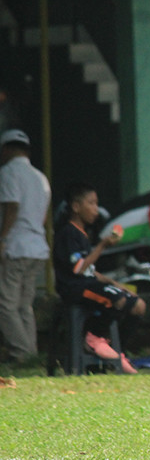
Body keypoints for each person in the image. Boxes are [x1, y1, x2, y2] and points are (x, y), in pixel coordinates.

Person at [53, 182, 144, 374]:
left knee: (138, 305)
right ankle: (93, 337)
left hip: (88, 284)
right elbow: (78, 269)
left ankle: (115, 351)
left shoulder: (83, 235)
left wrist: (114, 283)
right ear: (76, 207)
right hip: (75, 288)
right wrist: (102, 246)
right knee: (116, 300)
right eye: (91, 203)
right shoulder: (68, 233)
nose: (96, 209)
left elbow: (90, 271)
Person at [0, 129, 51, 364]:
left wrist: (2, 238)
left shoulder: (8, 173)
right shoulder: (40, 177)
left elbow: (11, 207)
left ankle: (21, 352)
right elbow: (41, 216)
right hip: (37, 247)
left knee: (5, 303)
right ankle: (30, 352)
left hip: (16, 246)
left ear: (6, 150)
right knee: (24, 305)